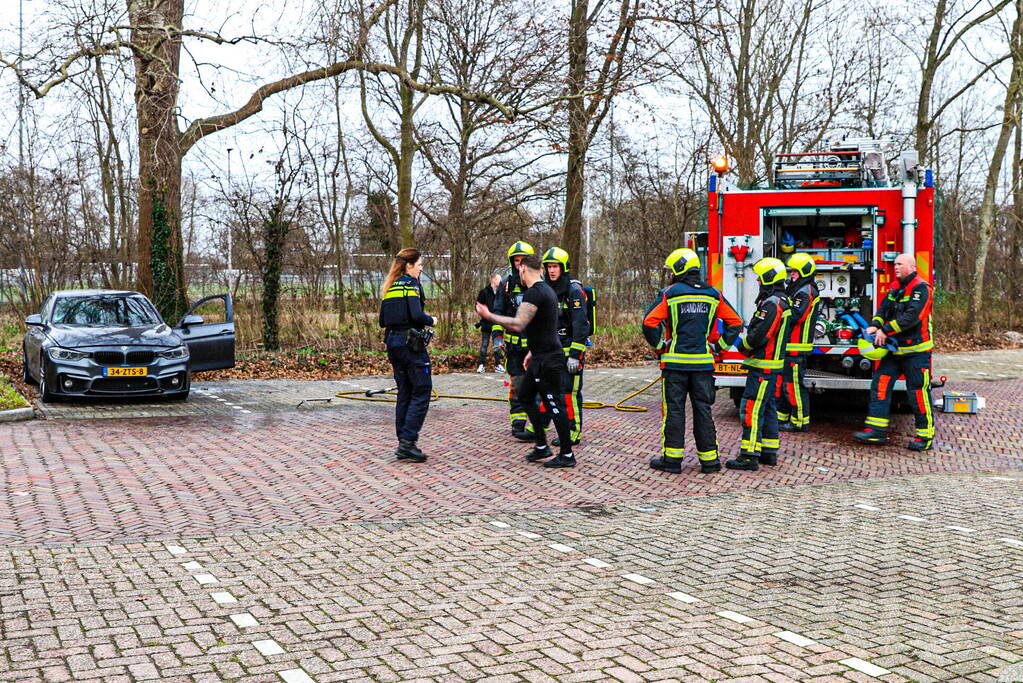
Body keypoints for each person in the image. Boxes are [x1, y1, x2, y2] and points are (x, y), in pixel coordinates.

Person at [642, 248, 742, 474]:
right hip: (704, 365)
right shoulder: (713, 294)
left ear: (679, 268)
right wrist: (720, 348)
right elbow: (735, 322)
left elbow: (649, 322)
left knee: (675, 411)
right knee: (703, 410)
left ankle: (672, 460)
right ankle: (710, 462)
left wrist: (659, 347)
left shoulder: (670, 293)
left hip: (675, 366)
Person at [476, 254, 578, 468]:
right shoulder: (547, 290)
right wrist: (532, 351)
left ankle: (567, 454)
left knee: (554, 404)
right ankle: (542, 445)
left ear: (523, 269)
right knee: (525, 395)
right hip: (540, 356)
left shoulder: (534, 292)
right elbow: (544, 325)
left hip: (549, 360)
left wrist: (488, 315)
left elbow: (518, 323)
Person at [853, 253, 936, 451]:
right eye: (894, 264)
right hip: (895, 350)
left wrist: (885, 330)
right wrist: (875, 325)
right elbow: (884, 310)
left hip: (916, 352)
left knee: (917, 393)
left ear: (911, 267)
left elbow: (912, 317)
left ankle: (925, 436)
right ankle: (876, 432)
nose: (895, 267)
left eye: (899, 264)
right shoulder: (895, 287)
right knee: (880, 385)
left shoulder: (921, 289)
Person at [726, 257, 792, 472]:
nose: (757, 280)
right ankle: (768, 452)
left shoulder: (772, 303)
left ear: (769, 278)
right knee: (769, 408)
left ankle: (748, 456)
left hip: (763, 366)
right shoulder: (782, 301)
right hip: (771, 366)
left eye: (760, 277)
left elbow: (759, 336)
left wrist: (740, 344)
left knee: (752, 408)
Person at [378, 248, 434, 463]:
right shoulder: (411, 285)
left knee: (405, 391)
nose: (421, 268)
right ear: (409, 265)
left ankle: (403, 439)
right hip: (410, 344)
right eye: (419, 264)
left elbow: (383, 320)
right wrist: (431, 320)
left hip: (393, 343)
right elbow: (417, 314)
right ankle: (408, 443)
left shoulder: (391, 286)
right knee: (422, 389)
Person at [539, 247, 589, 446]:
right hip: (552, 351)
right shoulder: (546, 290)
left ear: (564, 268)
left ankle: (573, 433)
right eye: (549, 267)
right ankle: (547, 428)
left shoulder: (574, 291)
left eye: (555, 267)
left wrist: (575, 355)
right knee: (551, 391)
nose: (552, 271)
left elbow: (580, 326)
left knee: (569, 393)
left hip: (570, 351)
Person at [492, 241, 536, 439]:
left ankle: (536, 425)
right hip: (514, 349)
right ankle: (517, 421)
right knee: (516, 384)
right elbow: (498, 313)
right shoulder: (506, 286)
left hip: (536, 348)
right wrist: (497, 338)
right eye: (516, 261)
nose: (519, 265)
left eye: (523, 261)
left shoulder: (539, 285)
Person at [777, 252, 822, 433]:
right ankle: (782, 417)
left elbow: (796, 315)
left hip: (797, 347)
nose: (791, 274)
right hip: (789, 346)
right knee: (785, 384)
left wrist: (779, 312)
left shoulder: (806, 291)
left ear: (803, 272)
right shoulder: (798, 289)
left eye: (795, 272)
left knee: (794, 386)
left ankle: (799, 422)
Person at [475, 272, 505, 373]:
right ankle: (481, 365)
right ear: (493, 280)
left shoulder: (502, 293)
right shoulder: (484, 292)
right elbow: (478, 306)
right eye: (499, 280)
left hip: (497, 324)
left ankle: (498, 365)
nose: (501, 282)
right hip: (486, 324)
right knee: (484, 345)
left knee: (497, 345)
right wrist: (485, 315)